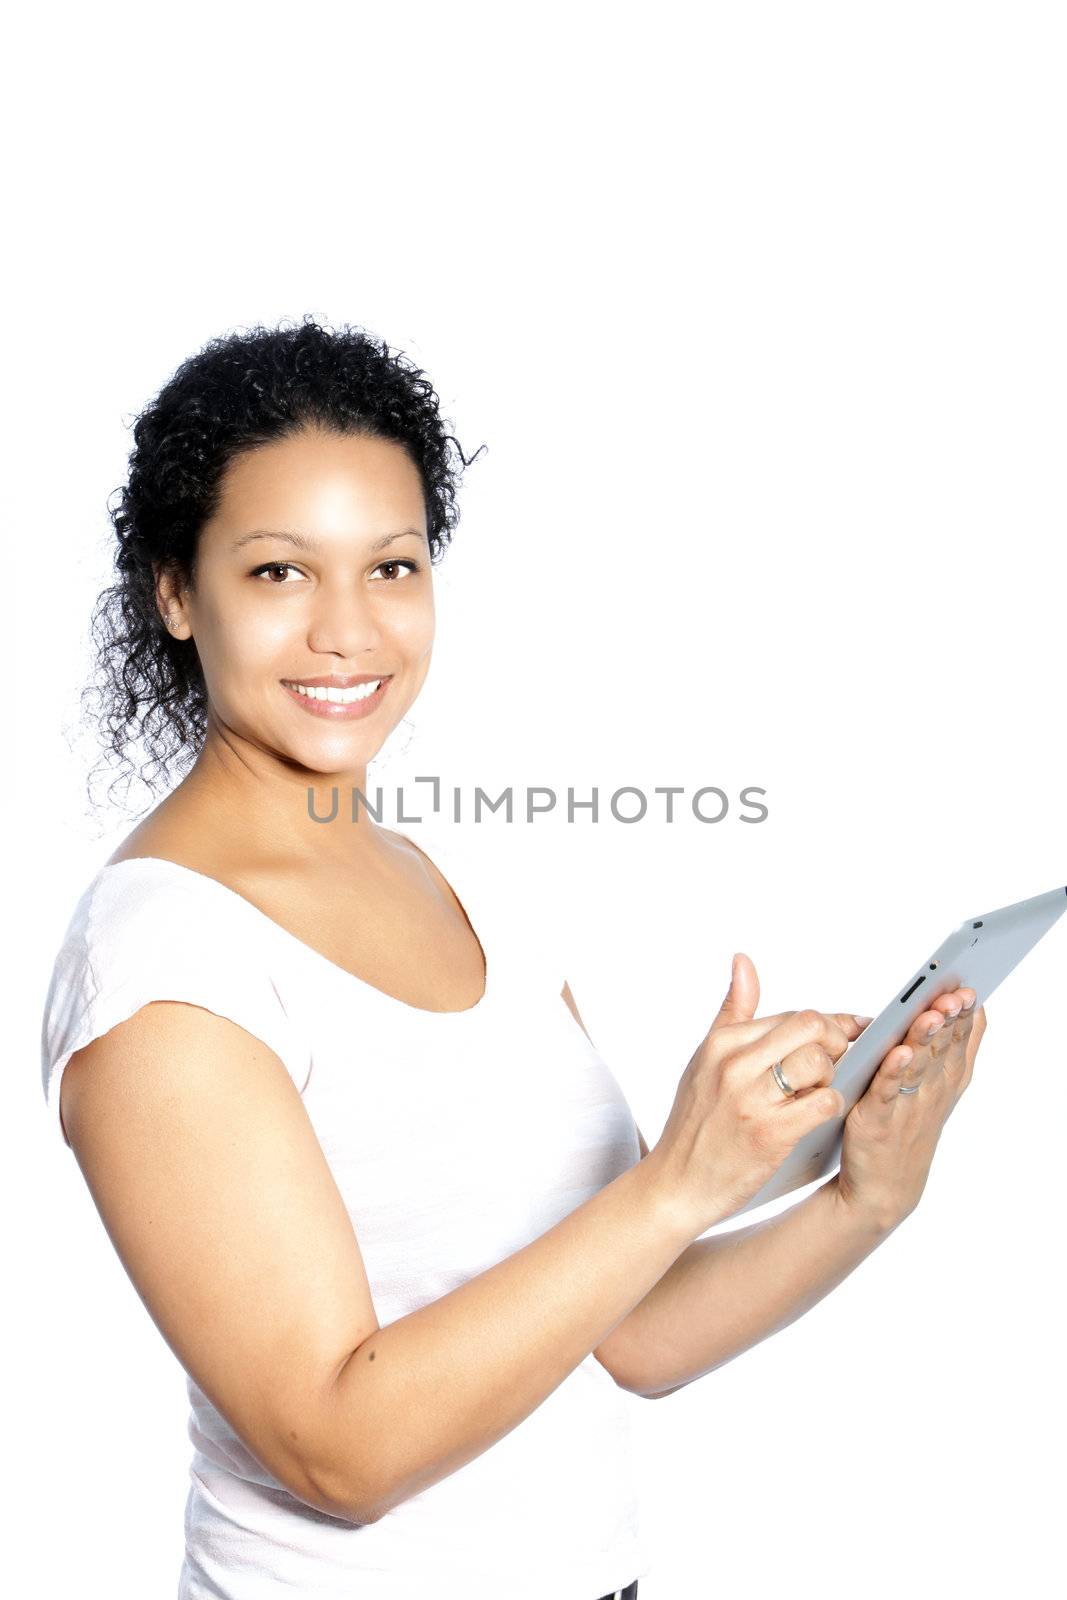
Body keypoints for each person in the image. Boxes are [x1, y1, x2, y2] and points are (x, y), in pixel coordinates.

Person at [40, 317, 986, 1600]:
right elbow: (337, 1451)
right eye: (276, 573)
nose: (347, 631)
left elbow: (627, 1331)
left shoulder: (456, 880)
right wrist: (675, 1185)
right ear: (173, 588)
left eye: (390, 566)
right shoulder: (163, 965)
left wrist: (862, 1192)